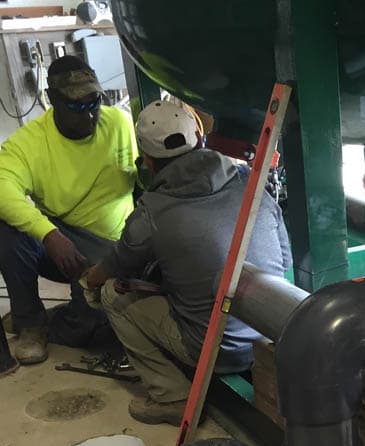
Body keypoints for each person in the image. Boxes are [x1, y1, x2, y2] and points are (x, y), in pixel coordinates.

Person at [85, 100, 292, 425]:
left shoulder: (151, 211)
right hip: (271, 336)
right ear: (200, 136)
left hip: (216, 352)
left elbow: (115, 266)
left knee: (112, 294)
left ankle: (171, 396)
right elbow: (285, 256)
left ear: (148, 160)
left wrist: (90, 281)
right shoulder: (249, 182)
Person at [0, 55, 137, 364]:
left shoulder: (119, 123)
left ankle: (65, 317)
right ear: (52, 99)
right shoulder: (29, 142)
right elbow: (2, 188)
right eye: (75, 106)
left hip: (112, 243)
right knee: (6, 230)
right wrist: (49, 235)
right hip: (62, 243)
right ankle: (30, 323)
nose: (88, 114)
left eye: (93, 102)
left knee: (93, 330)